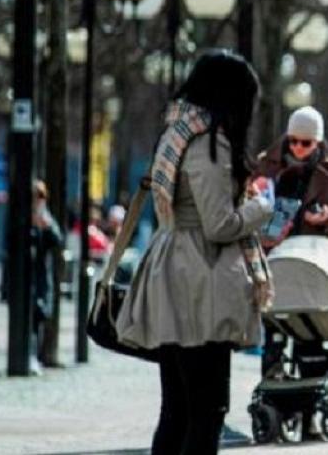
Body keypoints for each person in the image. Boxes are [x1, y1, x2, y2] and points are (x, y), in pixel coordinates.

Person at [115, 50, 274, 455]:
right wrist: (263, 207)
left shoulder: (177, 131)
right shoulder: (209, 143)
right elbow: (219, 224)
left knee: (178, 408)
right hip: (198, 279)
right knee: (207, 409)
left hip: (172, 268)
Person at [254, 106, 328, 375]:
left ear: (318, 141)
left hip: (316, 255)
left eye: (306, 143)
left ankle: (309, 394)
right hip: (276, 252)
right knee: (275, 325)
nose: (299, 148)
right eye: (293, 141)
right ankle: (273, 385)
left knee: (310, 328)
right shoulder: (266, 164)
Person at [31, 180, 63, 372]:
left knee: (39, 314)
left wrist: (46, 227)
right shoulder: (22, 216)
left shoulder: (46, 218)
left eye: (41, 197)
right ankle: (30, 355)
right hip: (28, 277)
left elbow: (57, 240)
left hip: (41, 275)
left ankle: (36, 355)